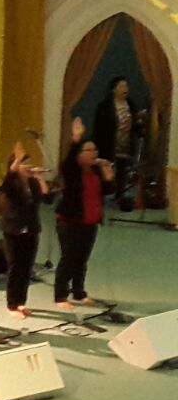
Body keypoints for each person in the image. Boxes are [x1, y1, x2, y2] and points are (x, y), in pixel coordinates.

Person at [54, 117, 115, 310]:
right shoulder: (72, 170)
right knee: (69, 258)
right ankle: (60, 295)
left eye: (94, 150)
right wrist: (76, 138)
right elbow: (68, 161)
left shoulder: (96, 171)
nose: (93, 153)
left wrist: (109, 177)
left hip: (90, 221)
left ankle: (79, 292)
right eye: (88, 150)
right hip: (70, 221)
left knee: (82, 258)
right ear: (79, 154)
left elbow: (107, 192)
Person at [0, 141, 49, 319]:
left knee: (27, 267)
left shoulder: (33, 183)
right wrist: (16, 161)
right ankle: (11, 304)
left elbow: (47, 199)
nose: (28, 166)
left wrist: (41, 179)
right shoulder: (12, 184)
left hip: (31, 229)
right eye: (23, 163)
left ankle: (21, 302)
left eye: (28, 163)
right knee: (15, 266)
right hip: (13, 230)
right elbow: (6, 184)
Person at [91, 77, 140, 206]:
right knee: (106, 170)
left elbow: (136, 124)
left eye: (126, 86)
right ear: (114, 89)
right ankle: (101, 195)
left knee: (122, 171)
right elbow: (99, 127)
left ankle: (120, 195)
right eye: (122, 86)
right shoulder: (105, 106)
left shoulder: (131, 105)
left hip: (126, 144)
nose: (125, 89)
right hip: (109, 143)